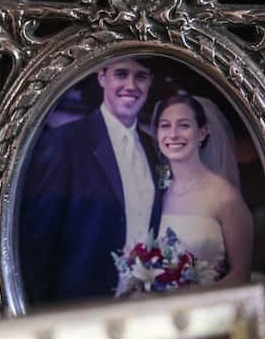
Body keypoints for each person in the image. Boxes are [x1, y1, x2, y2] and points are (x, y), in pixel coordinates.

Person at [20, 57, 162, 305]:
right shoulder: (64, 142)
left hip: (144, 307)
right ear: (102, 77)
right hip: (80, 307)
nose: (131, 85)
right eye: (121, 74)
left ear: (149, 82)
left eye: (140, 76)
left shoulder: (154, 149)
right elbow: (37, 245)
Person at [151, 93, 254, 285]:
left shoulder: (225, 197)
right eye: (165, 125)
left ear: (202, 132)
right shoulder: (155, 192)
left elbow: (241, 275)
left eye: (184, 125)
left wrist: (194, 301)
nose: (173, 134)